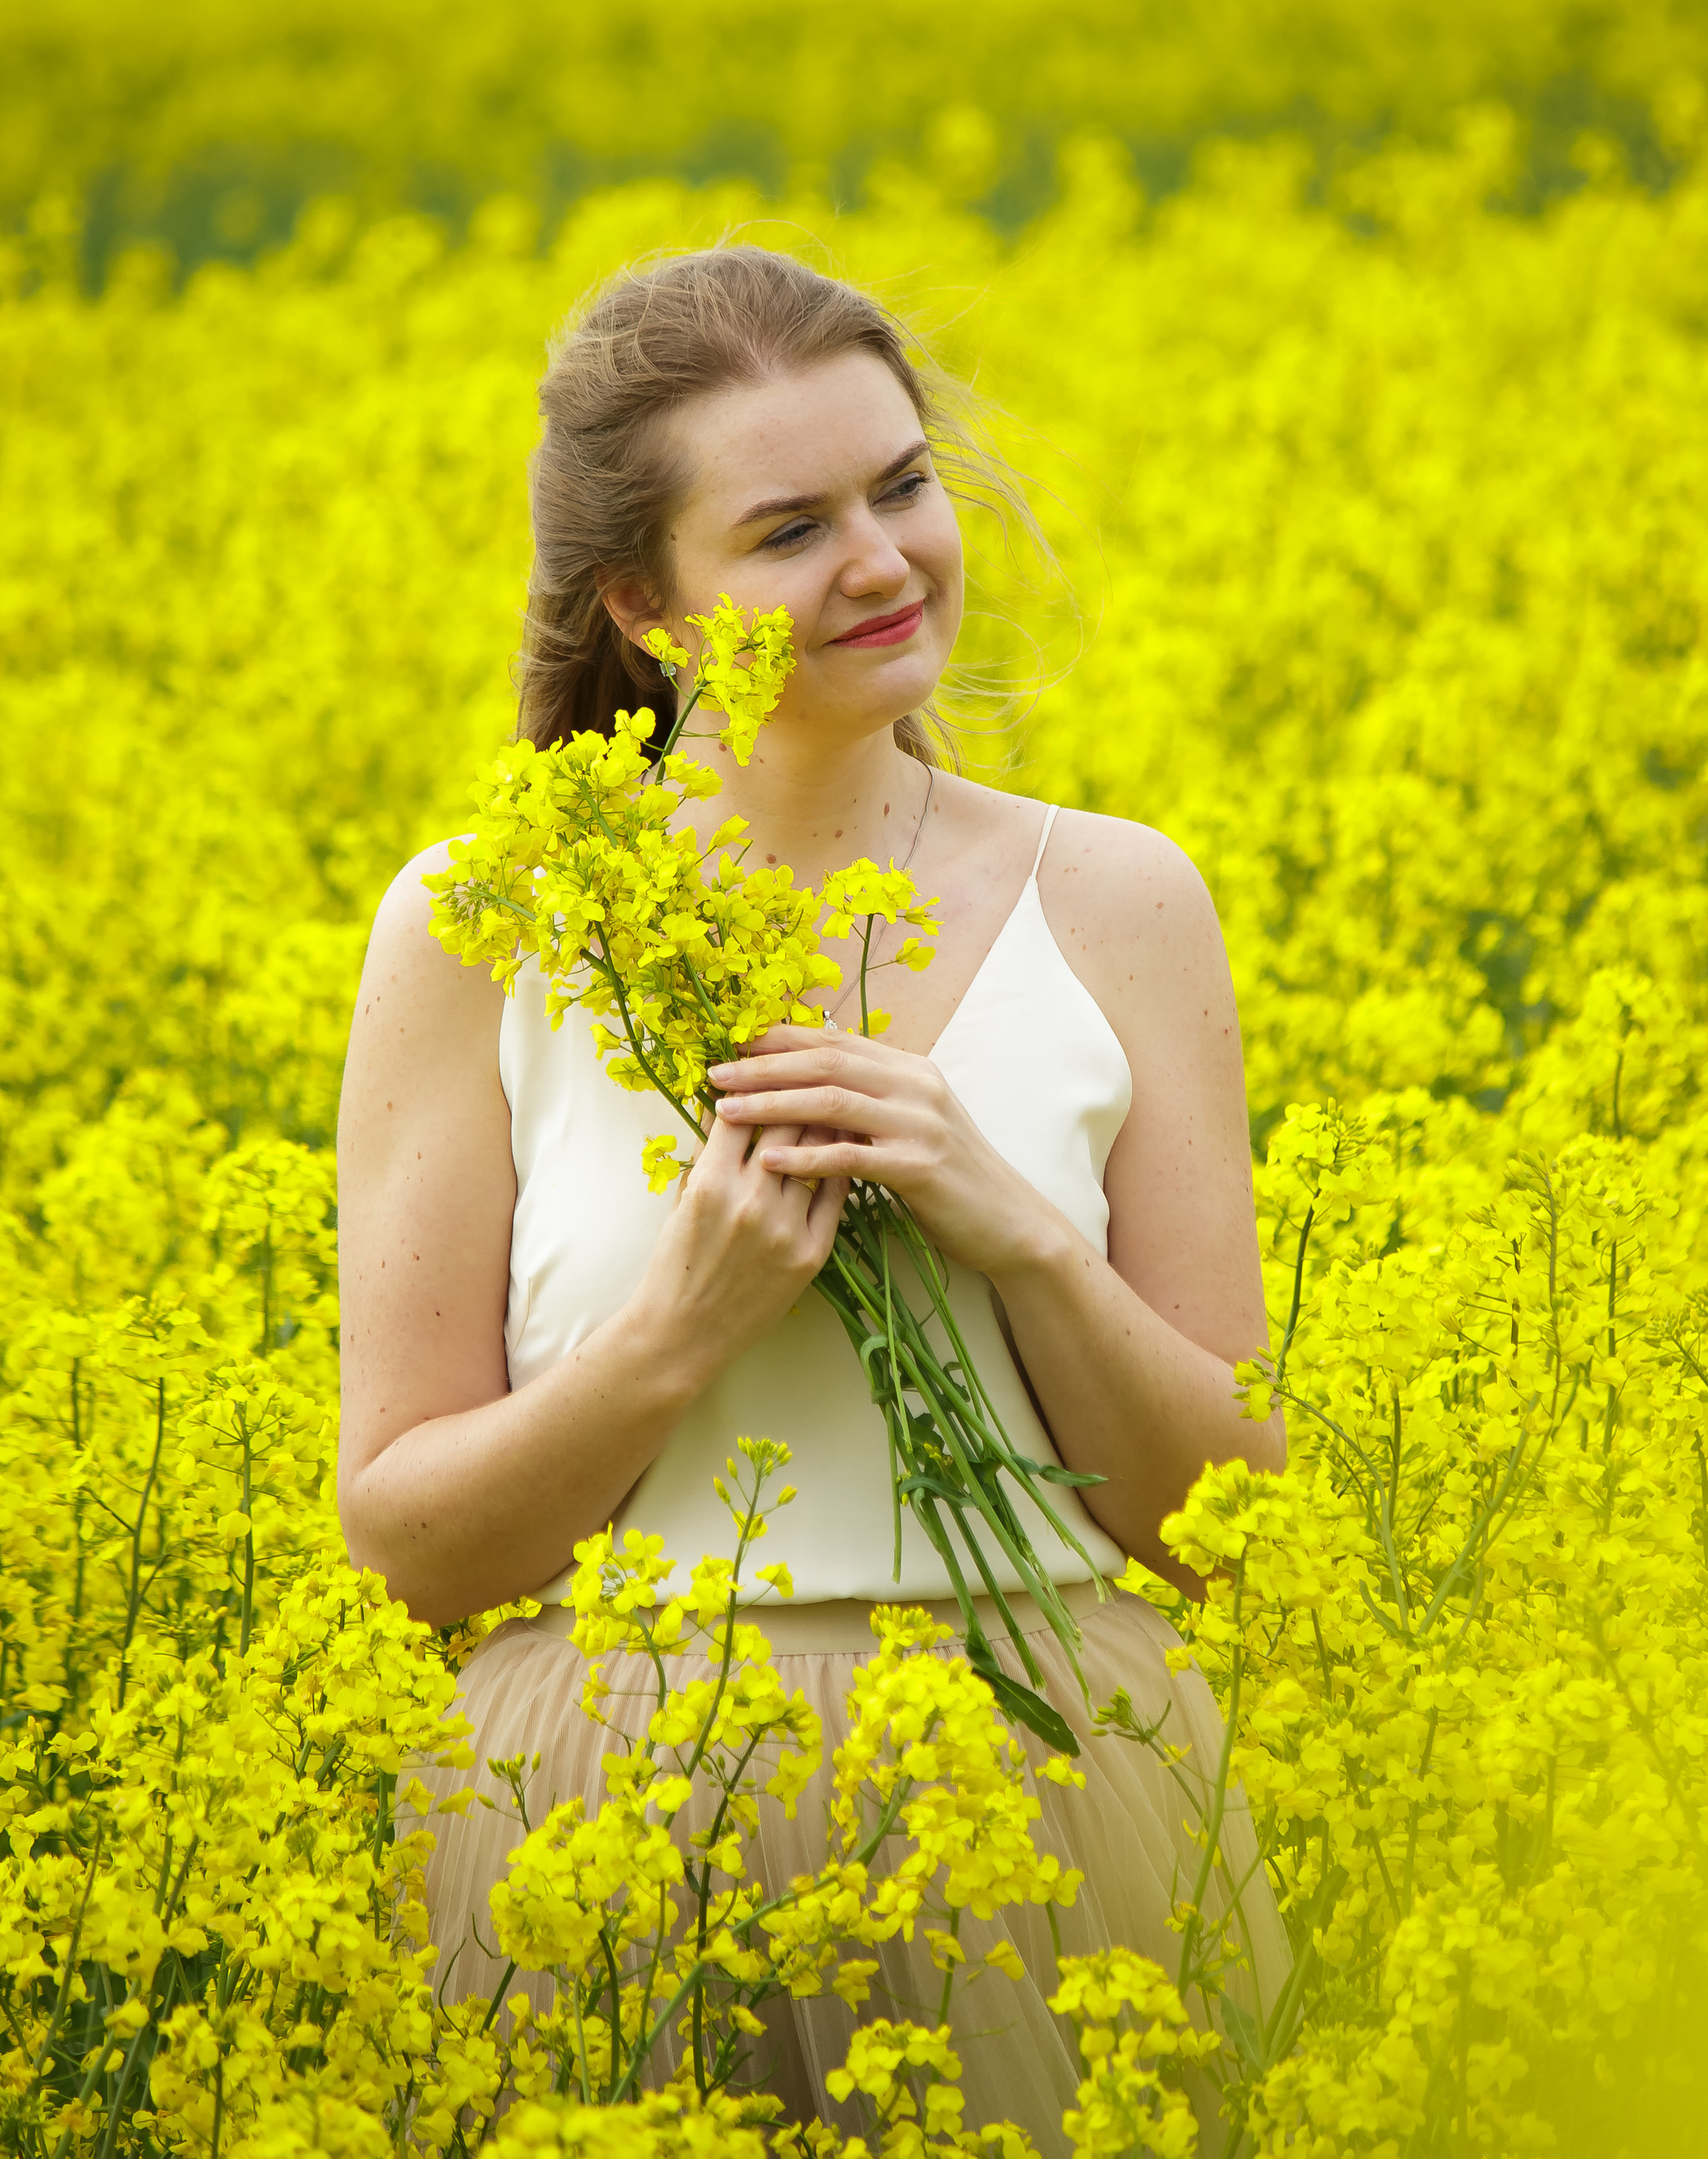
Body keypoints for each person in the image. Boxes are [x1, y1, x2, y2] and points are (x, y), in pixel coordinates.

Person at [336, 245, 1289, 2142]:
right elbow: (411, 1547)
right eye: (788, 528)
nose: (884, 562)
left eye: (903, 487)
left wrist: (1012, 1231)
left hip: (1058, 1780)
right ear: (644, 603)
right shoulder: (484, 926)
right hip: (600, 1815)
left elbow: (1238, 1528)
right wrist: (681, 1329)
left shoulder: (1123, 900)